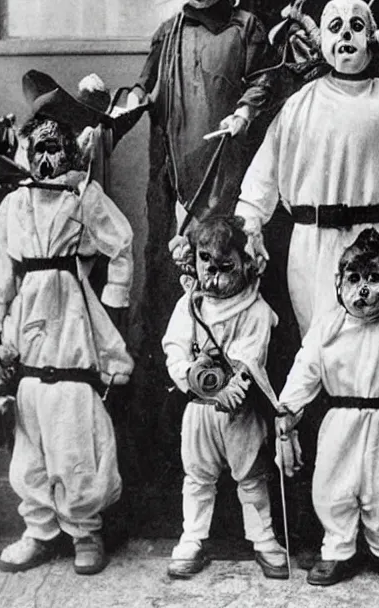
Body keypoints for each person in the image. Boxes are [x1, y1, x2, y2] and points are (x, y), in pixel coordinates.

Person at [236, 0, 379, 338]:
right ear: (322, 42)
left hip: (376, 242)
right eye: (335, 27)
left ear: (372, 38)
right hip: (312, 244)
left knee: (374, 343)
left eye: (357, 27)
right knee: (316, 344)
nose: (346, 36)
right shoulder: (300, 105)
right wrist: (251, 220)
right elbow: (265, 169)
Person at [0, 71, 134, 575]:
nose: (48, 159)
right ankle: (40, 529)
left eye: (57, 148)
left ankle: (84, 529)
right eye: (38, 148)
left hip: (71, 313)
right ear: (27, 152)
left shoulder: (81, 197)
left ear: (70, 150)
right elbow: (0, 270)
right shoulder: (15, 204)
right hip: (28, 316)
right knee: (32, 426)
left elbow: (121, 241)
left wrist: (113, 300)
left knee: (72, 420)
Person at [128, 0, 276, 357]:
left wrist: (244, 112)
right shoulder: (168, 33)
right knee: (179, 278)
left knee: (231, 269)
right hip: (180, 174)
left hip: (230, 168)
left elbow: (265, 78)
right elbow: (144, 86)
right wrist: (128, 104)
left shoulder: (246, 28)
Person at [276, 229, 379, 586]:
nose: (364, 289)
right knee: (334, 482)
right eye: (354, 278)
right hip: (342, 419)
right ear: (339, 282)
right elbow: (306, 369)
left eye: (374, 278)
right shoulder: (328, 328)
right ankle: (338, 547)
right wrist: (288, 410)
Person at [162, 215, 289, 580]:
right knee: (197, 476)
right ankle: (192, 539)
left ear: (246, 263)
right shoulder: (191, 306)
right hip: (200, 408)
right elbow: (174, 348)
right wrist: (193, 374)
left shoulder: (255, 309)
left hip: (240, 410)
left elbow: (251, 355)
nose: (214, 276)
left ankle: (264, 539)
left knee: (251, 474)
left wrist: (234, 378)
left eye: (225, 267)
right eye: (207, 264)